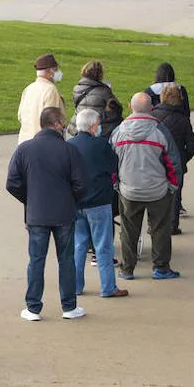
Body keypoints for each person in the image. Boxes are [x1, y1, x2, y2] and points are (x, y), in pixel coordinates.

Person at [6, 106, 87, 320]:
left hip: (37, 213)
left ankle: (33, 307)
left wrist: (30, 198)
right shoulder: (69, 150)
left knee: (36, 260)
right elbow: (81, 185)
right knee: (66, 260)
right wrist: (70, 200)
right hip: (64, 213)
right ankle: (69, 306)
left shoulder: (25, 149)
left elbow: (12, 183)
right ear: (57, 124)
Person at [110, 93, 180, 281]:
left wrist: (116, 183)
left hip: (129, 189)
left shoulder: (118, 132)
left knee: (128, 230)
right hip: (157, 190)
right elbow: (173, 162)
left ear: (130, 106)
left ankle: (127, 269)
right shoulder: (160, 131)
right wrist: (173, 185)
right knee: (160, 229)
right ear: (151, 108)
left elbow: (111, 163)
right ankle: (161, 268)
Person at [70, 109, 126, 299]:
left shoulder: (70, 145)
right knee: (103, 246)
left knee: (78, 245)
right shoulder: (101, 145)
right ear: (94, 126)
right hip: (99, 201)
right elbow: (113, 165)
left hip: (76, 202)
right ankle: (108, 287)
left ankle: (76, 286)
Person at [151, 84, 194, 235]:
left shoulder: (152, 116)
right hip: (175, 162)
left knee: (154, 194)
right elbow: (191, 145)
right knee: (175, 195)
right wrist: (183, 158)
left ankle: (154, 224)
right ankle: (172, 225)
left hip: (155, 160)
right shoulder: (182, 119)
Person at [17, 53, 65, 142]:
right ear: (50, 72)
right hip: (43, 143)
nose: (58, 72)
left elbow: (20, 116)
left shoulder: (28, 88)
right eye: (56, 69)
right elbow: (53, 120)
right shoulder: (51, 90)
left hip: (25, 141)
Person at [72, 60, 118, 134]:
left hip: (80, 126)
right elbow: (116, 110)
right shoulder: (104, 91)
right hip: (96, 128)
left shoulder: (76, 88)